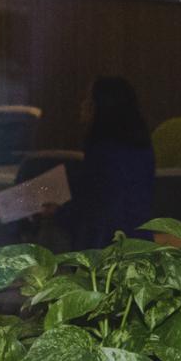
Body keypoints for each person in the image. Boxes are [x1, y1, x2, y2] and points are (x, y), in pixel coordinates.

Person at [58, 76, 154, 250]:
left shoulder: (104, 155)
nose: (82, 105)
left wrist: (56, 212)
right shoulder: (140, 149)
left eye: (88, 100)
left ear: (101, 107)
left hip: (108, 252)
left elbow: (94, 212)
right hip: (141, 245)